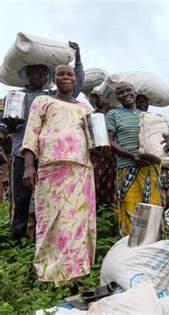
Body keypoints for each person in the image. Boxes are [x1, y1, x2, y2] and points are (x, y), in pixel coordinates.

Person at [0, 42, 83, 241]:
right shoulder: (16, 96)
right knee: (21, 196)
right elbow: (4, 127)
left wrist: (78, 58)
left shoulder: (51, 98)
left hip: (48, 154)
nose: (44, 77)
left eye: (46, 74)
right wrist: (8, 127)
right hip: (22, 151)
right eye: (39, 73)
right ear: (28, 75)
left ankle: (43, 235)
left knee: (48, 196)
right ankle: (18, 237)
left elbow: (76, 86)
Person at [21, 64, 95, 283]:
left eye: (69, 74)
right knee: (51, 219)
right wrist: (28, 166)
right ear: (54, 79)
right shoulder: (42, 101)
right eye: (60, 74)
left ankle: (76, 272)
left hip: (81, 167)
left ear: (75, 79)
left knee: (77, 219)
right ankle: (50, 272)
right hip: (51, 167)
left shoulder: (85, 107)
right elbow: (31, 132)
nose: (65, 77)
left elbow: (93, 138)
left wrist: (99, 151)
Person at [106, 82, 162, 236]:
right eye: (120, 92)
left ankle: (151, 247)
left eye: (128, 90)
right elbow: (110, 141)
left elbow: (161, 139)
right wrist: (132, 156)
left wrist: (167, 142)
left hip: (149, 167)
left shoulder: (149, 117)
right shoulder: (113, 114)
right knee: (131, 208)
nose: (125, 94)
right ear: (117, 97)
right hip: (126, 166)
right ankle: (129, 250)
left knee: (151, 207)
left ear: (135, 92)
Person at [89, 92, 116, 209]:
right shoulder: (90, 115)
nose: (99, 100)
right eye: (96, 98)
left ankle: (106, 217)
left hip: (111, 157)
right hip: (95, 156)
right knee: (94, 186)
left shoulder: (113, 116)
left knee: (109, 189)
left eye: (101, 96)